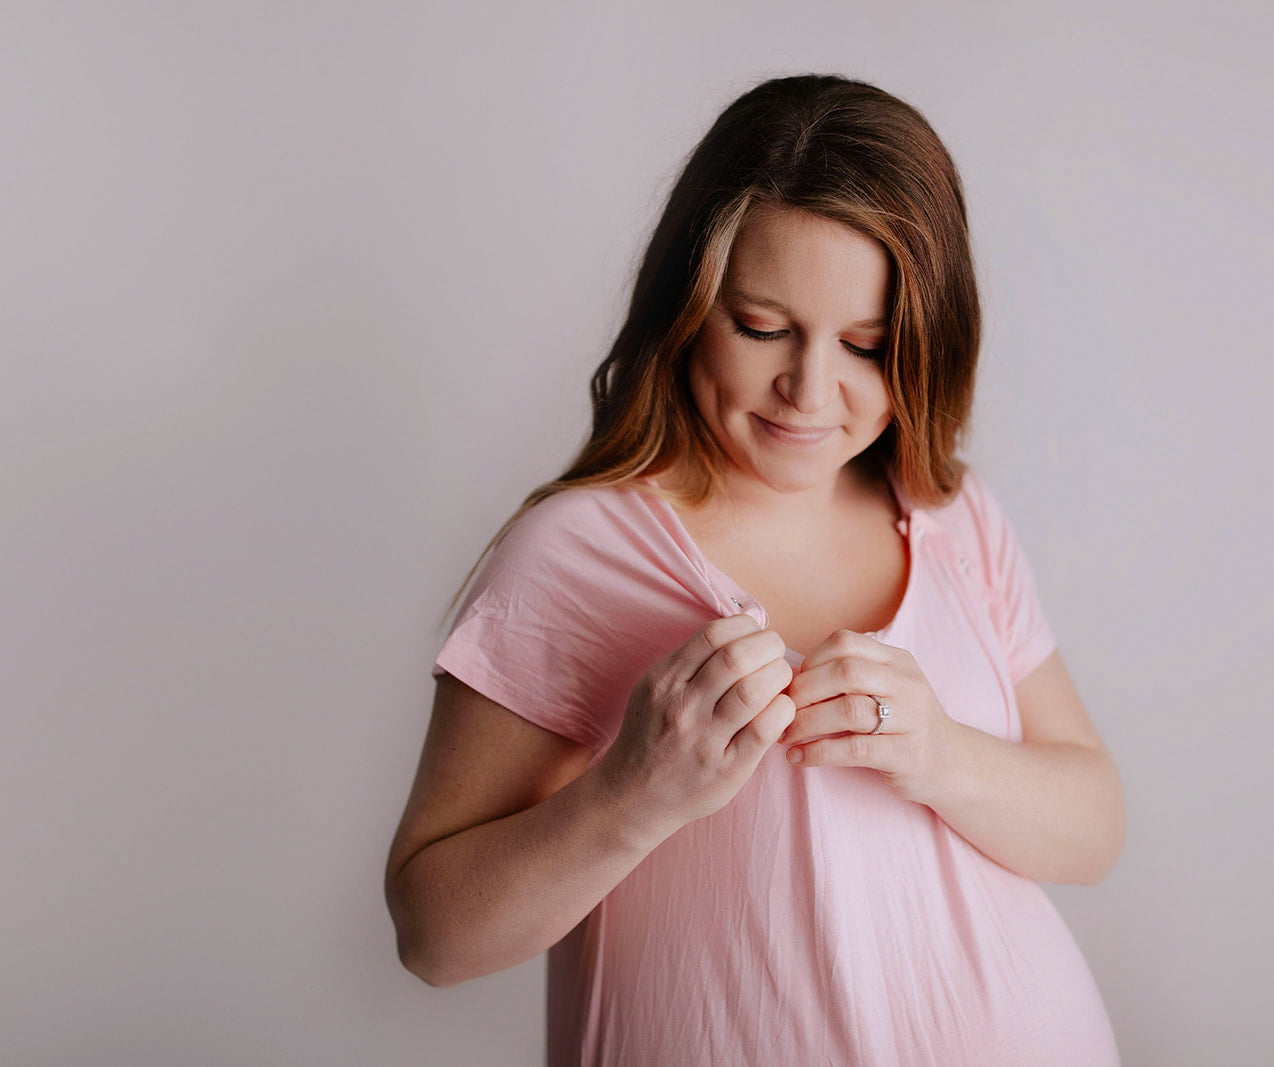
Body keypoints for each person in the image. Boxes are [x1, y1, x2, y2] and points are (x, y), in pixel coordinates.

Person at [384, 73, 1124, 1066]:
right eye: (762, 327)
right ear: (688, 307)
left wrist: (941, 752)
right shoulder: (574, 553)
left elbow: (1093, 826)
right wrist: (631, 793)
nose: (808, 390)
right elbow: (435, 937)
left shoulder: (949, 513)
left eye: (866, 344)